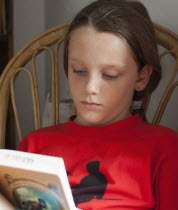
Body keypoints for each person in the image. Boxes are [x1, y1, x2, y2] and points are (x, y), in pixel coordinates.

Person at [18, 0, 178, 209]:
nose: (90, 87)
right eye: (79, 71)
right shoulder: (34, 147)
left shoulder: (166, 148)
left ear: (141, 77)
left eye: (110, 75)